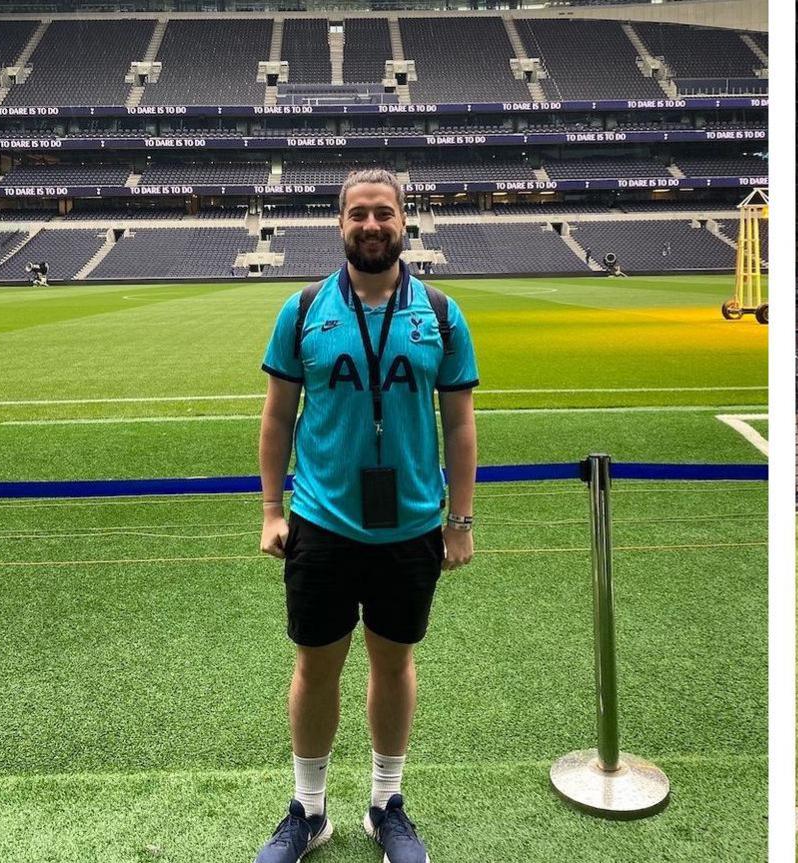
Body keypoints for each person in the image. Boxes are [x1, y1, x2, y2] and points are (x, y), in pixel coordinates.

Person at [255, 168, 479, 863]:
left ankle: (386, 804)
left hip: (410, 527)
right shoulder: (302, 309)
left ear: (405, 221)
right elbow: (277, 416)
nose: (372, 225)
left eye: (385, 212)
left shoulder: (440, 312)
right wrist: (270, 508)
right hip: (321, 524)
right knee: (314, 667)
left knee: (393, 663)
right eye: (359, 214)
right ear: (340, 223)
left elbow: (461, 425)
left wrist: (460, 520)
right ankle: (310, 810)